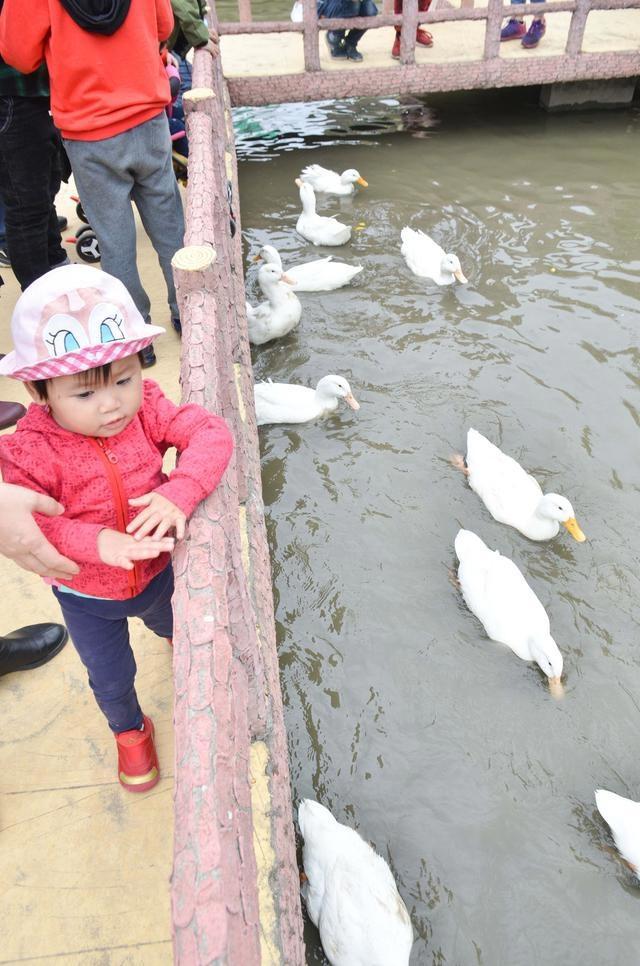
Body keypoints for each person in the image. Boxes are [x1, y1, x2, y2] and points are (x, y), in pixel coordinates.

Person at [0, 264, 234, 792]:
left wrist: (181, 489)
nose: (111, 404)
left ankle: (180, 650)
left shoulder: (146, 407)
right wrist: (96, 542)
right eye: (84, 394)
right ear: (41, 394)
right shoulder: (28, 450)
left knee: (173, 624)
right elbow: (31, 524)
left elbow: (211, 433)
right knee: (109, 675)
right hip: (85, 594)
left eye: (124, 379)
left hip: (156, 572)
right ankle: (129, 731)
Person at [0, 0, 186, 367]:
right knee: (170, 227)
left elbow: (18, 55)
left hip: (88, 129)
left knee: (114, 240)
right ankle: (189, 314)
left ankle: (135, 336)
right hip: (147, 113)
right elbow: (164, 26)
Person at [0, 10, 67, 291]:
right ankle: (40, 297)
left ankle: (55, 263)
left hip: (30, 92)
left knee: (40, 191)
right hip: (12, 93)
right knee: (26, 204)